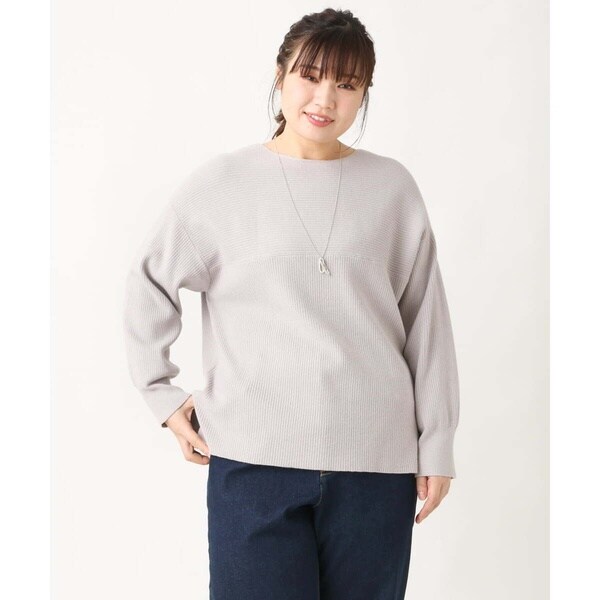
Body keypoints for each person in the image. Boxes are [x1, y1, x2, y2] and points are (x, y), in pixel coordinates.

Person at [122, 7, 460, 599]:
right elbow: (149, 282)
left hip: (375, 465)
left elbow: (426, 324)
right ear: (280, 75)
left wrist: (436, 442)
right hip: (254, 462)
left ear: (364, 94)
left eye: (347, 84)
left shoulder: (393, 188)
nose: (325, 98)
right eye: (310, 75)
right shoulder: (222, 184)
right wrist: (162, 395)